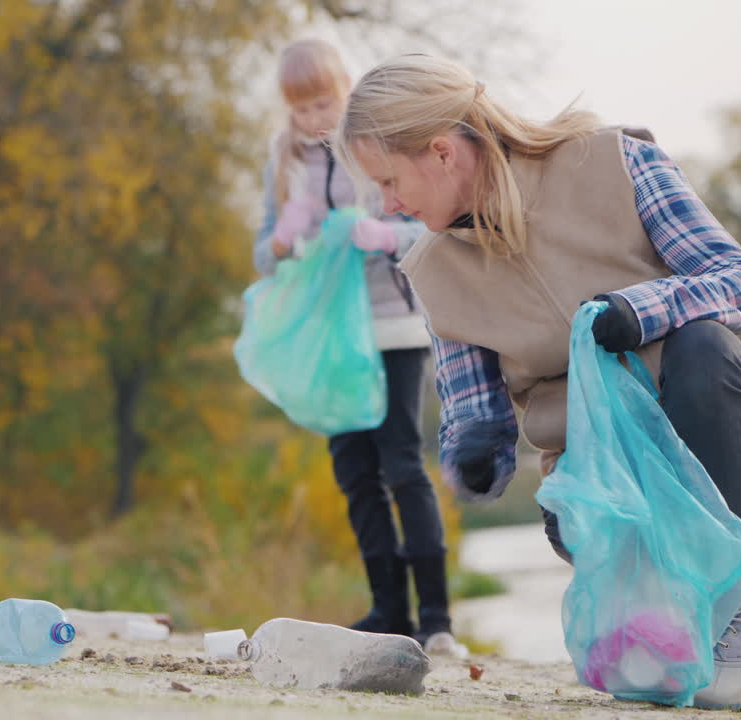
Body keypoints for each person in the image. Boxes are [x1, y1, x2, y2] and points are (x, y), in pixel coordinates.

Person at [337, 53, 741, 710]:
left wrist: (641, 310)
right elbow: (472, 414)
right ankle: (662, 635)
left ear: (442, 153)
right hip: (621, 487)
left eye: (389, 180)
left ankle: (734, 636)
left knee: (700, 346)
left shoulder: (616, 161)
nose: (387, 204)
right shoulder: (434, 272)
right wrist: (475, 454)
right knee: (562, 506)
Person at [254, 39, 466, 657]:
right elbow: (264, 253)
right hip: (330, 340)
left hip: (394, 327)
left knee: (402, 462)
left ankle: (437, 618)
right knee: (353, 471)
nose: (314, 119)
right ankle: (388, 611)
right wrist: (285, 241)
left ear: (345, 91)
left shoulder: (378, 141)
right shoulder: (285, 159)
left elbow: (432, 229)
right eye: (301, 109)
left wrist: (384, 236)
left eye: (323, 103)